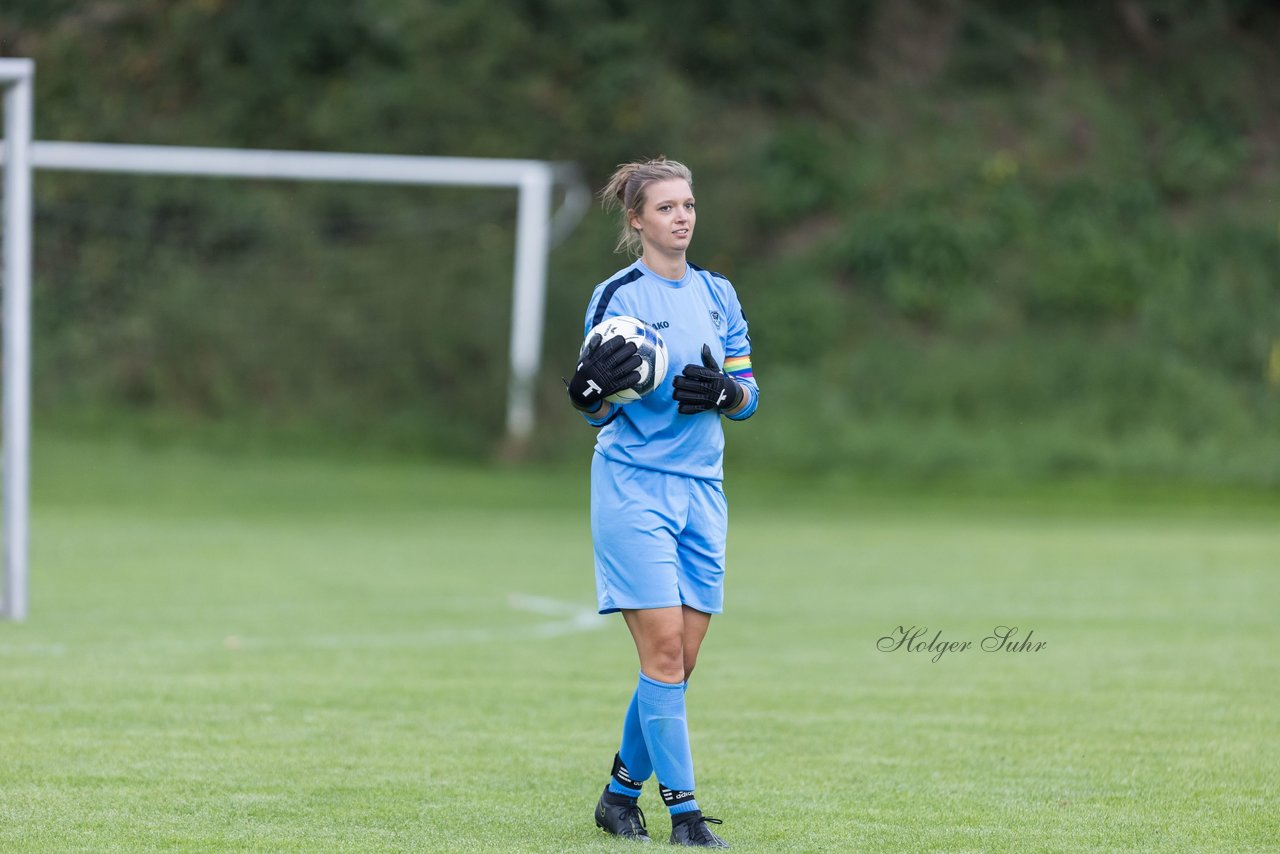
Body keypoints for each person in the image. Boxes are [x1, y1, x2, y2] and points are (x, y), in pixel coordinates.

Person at [566, 157, 758, 848]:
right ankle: (686, 814)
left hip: (703, 491)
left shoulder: (719, 294)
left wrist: (727, 395)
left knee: (683, 660)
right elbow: (596, 403)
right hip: (633, 488)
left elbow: (747, 392)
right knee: (666, 654)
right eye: (667, 207)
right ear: (638, 220)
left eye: (689, 204)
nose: (682, 216)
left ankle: (618, 798)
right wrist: (587, 393)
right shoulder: (618, 296)